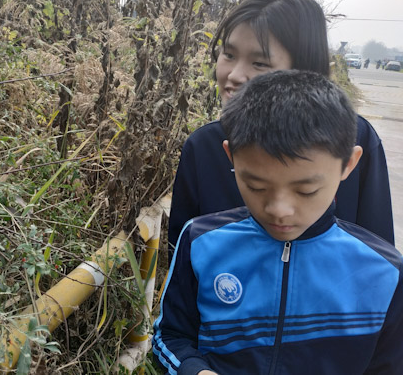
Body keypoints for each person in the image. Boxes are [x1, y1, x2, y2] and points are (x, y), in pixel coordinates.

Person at [153, 70, 403, 375]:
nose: (279, 210)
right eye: (257, 186)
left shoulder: (385, 272)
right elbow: (171, 335)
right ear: (231, 157)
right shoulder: (201, 241)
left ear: (348, 164)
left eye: (306, 190)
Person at [168, 0, 394, 260]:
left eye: (260, 62)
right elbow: (183, 257)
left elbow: (378, 255)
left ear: (303, 68)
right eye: (228, 54)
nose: (235, 75)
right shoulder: (203, 147)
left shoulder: (354, 137)